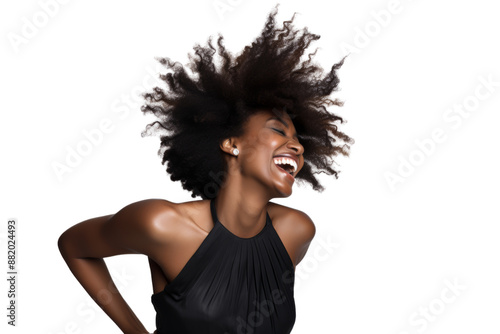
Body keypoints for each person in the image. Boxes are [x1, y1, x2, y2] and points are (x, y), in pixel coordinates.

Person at [58, 6, 353, 334]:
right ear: (231, 144)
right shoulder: (161, 224)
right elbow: (74, 247)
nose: (297, 147)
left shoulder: (295, 231)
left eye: (298, 139)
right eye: (278, 131)